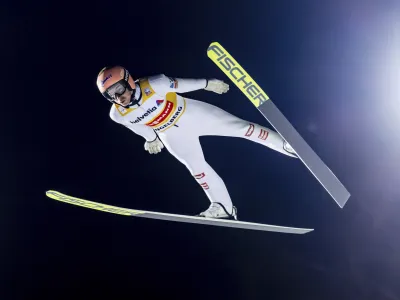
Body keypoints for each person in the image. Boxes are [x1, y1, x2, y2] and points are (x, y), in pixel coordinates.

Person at [96, 65, 297, 220]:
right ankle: (222, 206)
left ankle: (286, 146)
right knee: (197, 169)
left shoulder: (154, 84)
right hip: (171, 135)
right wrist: (151, 139)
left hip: (191, 114)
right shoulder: (118, 114)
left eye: (119, 89)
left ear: (128, 80)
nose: (118, 97)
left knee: (242, 128)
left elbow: (182, 84)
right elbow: (136, 125)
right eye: (110, 95)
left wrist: (207, 84)